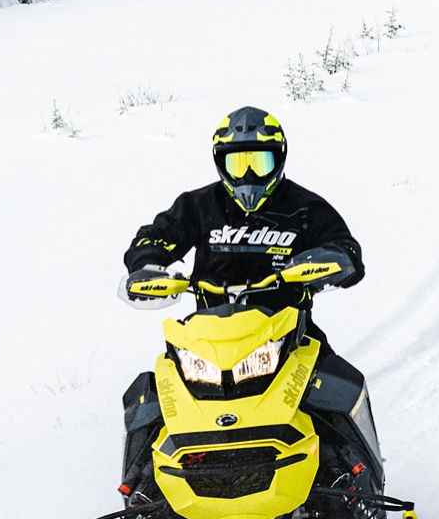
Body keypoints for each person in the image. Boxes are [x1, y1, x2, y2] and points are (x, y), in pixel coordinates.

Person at [117, 105, 366, 498]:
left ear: (278, 160)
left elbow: (346, 249)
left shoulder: (305, 207)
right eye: (238, 163)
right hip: (209, 336)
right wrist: (149, 265)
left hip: (287, 329)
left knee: (332, 385)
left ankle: (350, 479)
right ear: (221, 164)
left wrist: (329, 262)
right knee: (155, 392)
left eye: (259, 161)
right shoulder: (199, 205)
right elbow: (155, 237)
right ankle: (144, 489)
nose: (248, 174)